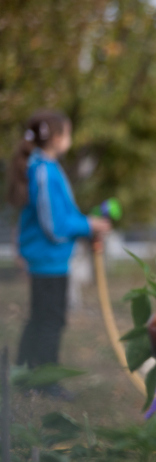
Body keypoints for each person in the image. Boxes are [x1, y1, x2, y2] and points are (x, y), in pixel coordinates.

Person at [5, 109, 112, 400]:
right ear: (56, 137)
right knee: (51, 321)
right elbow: (53, 225)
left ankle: (23, 373)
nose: (71, 139)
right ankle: (44, 381)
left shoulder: (45, 166)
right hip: (48, 260)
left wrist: (85, 223)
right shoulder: (43, 170)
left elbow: (59, 215)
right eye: (68, 133)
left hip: (50, 259)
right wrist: (89, 225)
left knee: (41, 318)